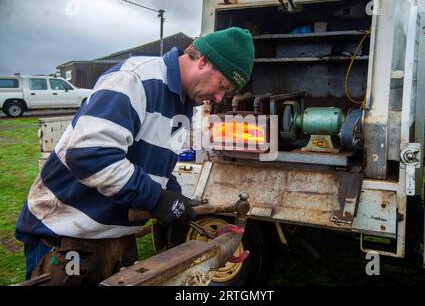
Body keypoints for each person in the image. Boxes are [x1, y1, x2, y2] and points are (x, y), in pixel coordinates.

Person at [14, 27, 255, 285]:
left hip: (114, 239)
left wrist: (175, 198)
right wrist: (156, 199)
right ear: (204, 60)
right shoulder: (135, 79)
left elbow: (155, 166)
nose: (219, 97)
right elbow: (90, 156)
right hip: (65, 235)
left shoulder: (182, 105)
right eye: (222, 85)